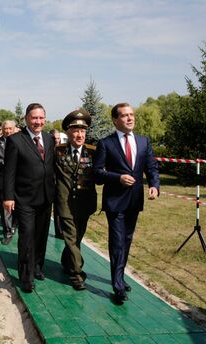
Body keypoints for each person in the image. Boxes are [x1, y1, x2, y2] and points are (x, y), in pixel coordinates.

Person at [94, 102, 159, 305]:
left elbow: (152, 167)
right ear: (115, 120)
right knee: (117, 241)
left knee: (127, 241)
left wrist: (155, 185)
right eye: (125, 115)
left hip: (134, 201)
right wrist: (117, 178)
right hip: (114, 202)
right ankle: (118, 286)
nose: (130, 118)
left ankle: (120, 276)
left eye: (132, 115)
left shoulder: (143, 142)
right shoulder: (106, 143)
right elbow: (97, 173)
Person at [3, 103, 55, 293]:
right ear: (26, 119)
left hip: (45, 197)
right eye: (34, 118)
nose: (38, 122)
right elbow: (9, 171)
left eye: (41, 118)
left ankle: (37, 267)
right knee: (26, 237)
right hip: (24, 198)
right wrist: (8, 197)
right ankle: (26, 276)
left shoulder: (49, 139)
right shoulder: (15, 140)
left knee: (41, 236)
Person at [54, 109, 97, 290]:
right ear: (68, 132)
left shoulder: (94, 152)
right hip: (64, 203)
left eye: (82, 131)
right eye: (75, 131)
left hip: (85, 203)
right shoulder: (57, 151)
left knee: (77, 238)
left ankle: (67, 262)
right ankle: (77, 273)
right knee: (71, 238)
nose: (79, 135)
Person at [49, 128, 63, 239]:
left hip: (59, 183)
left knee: (58, 208)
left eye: (58, 138)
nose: (57, 140)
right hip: (47, 182)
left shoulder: (62, 149)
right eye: (54, 138)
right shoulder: (46, 148)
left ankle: (59, 231)